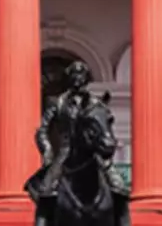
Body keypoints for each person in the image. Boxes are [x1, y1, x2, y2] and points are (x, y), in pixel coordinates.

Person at [26, 61, 127, 218]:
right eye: (74, 75)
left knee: (119, 187)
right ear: (69, 78)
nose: (78, 79)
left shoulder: (95, 103)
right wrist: (47, 152)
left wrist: (104, 143)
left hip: (93, 151)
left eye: (81, 75)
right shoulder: (57, 103)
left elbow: (104, 125)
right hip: (65, 152)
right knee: (46, 190)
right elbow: (43, 130)